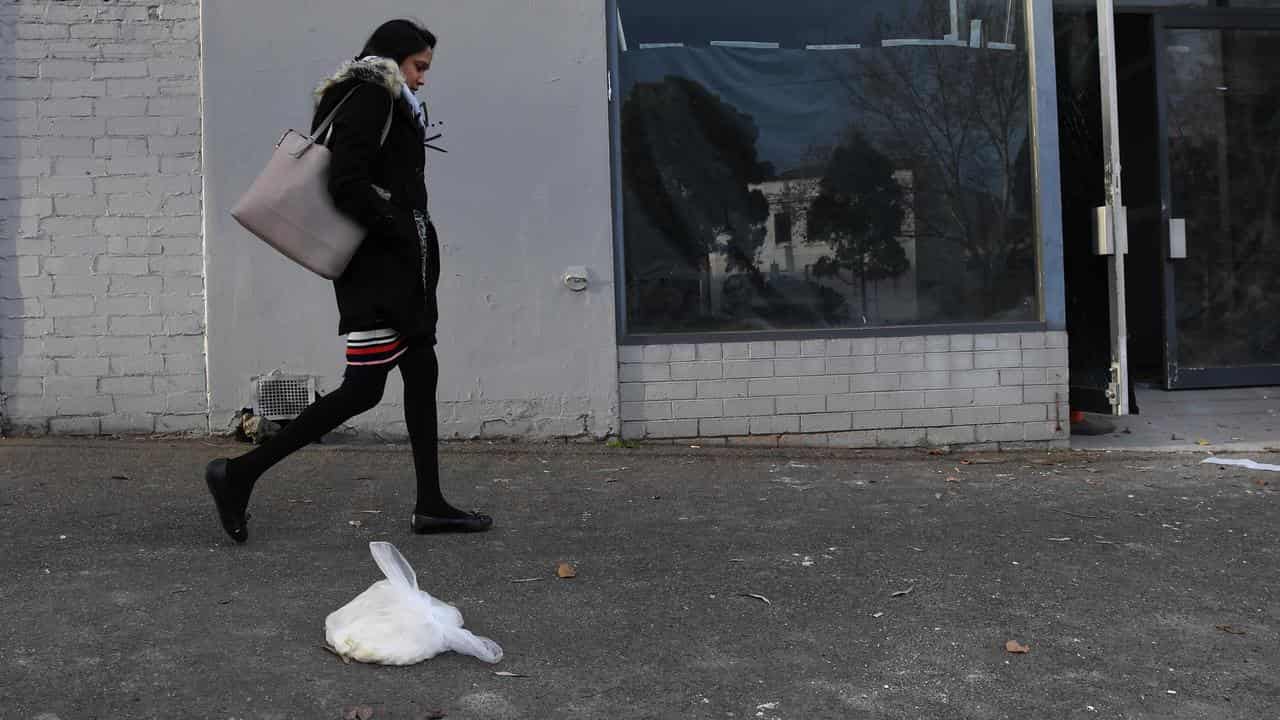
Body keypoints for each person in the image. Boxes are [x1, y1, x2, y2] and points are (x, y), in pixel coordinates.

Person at [205, 19, 491, 543]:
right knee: (362, 389)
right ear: (393, 58)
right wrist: (397, 228)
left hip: (402, 265)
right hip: (380, 268)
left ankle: (430, 503)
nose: (424, 78)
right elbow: (346, 183)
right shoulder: (370, 96)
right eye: (419, 67)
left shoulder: (386, 97)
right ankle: (238, 473)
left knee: (421, 369)